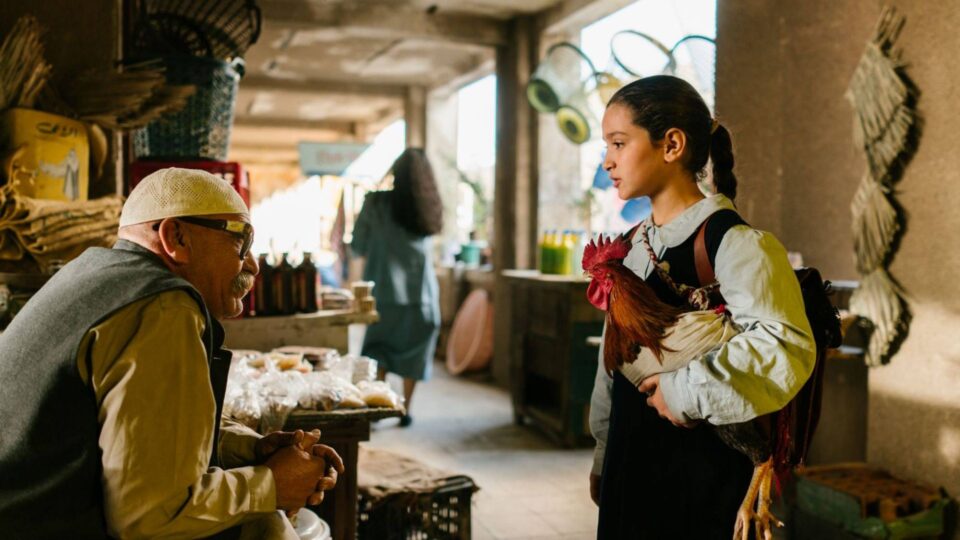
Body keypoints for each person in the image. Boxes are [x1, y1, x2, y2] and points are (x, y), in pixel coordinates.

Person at [0, 168, 344, 539]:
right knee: (269, 525)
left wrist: (249, 448)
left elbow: (135, 430)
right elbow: (147, 516)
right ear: (176, 237)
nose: (252, 264)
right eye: (240, 242)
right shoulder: (163, 309)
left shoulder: (91, 272)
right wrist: (272, 485)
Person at [588, 75, 816, 538]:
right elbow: (610, 365)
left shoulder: (734, 244)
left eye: (618, 143)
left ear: (671, 144)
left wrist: (682, 392)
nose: (608, 161)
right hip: (632, 460)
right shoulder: (631, 247)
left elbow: (785, 346)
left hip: (703, 473)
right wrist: (603, 452)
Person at [351, 148, 443, 427]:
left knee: (379, 351)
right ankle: (404, 407)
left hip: (385, 294)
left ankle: (380, 407)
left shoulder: (376, 204)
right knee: (415, 354)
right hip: (422, 297)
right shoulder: (428, 207)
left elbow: (358, 246)